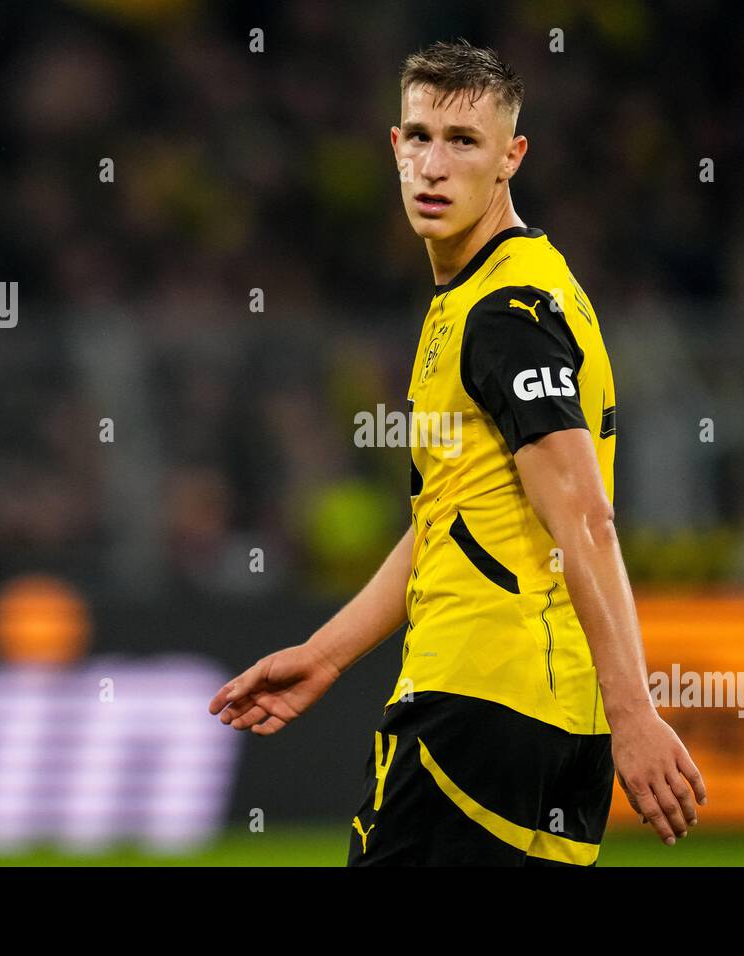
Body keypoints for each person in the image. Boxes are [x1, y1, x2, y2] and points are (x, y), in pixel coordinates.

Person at [209, 39, 706, 866]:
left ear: (512, 158)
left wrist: (635, 712)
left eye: (464, 142)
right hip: (546, 722)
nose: (434, 166)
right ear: (393, 147)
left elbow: (585, 514)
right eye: (419, 138)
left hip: (477, 705)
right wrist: (325, 656)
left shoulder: (504, 314)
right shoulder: (488, 292)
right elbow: (453, 514)